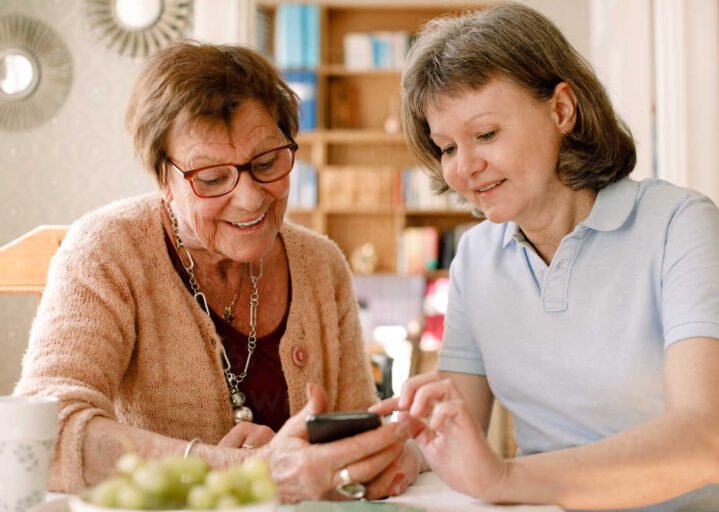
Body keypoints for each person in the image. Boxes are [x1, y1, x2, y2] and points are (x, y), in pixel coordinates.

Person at [372, 3, 719, 511]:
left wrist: (505, 478)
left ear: (561, 109)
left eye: (486, 134)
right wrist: (379, 452)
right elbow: (447, 430)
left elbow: (705, 445)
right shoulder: (476, 256)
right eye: (446, 147)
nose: (464, 167)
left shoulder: (678, 221)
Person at [14, 41, 420, 502]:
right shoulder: (107, 250)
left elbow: (352, 433)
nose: (250, 199)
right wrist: (239, 469)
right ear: (163, 179)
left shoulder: (322, 264)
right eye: (210, 178)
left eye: (267, 163)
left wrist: (387, 454)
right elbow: (46, 431)